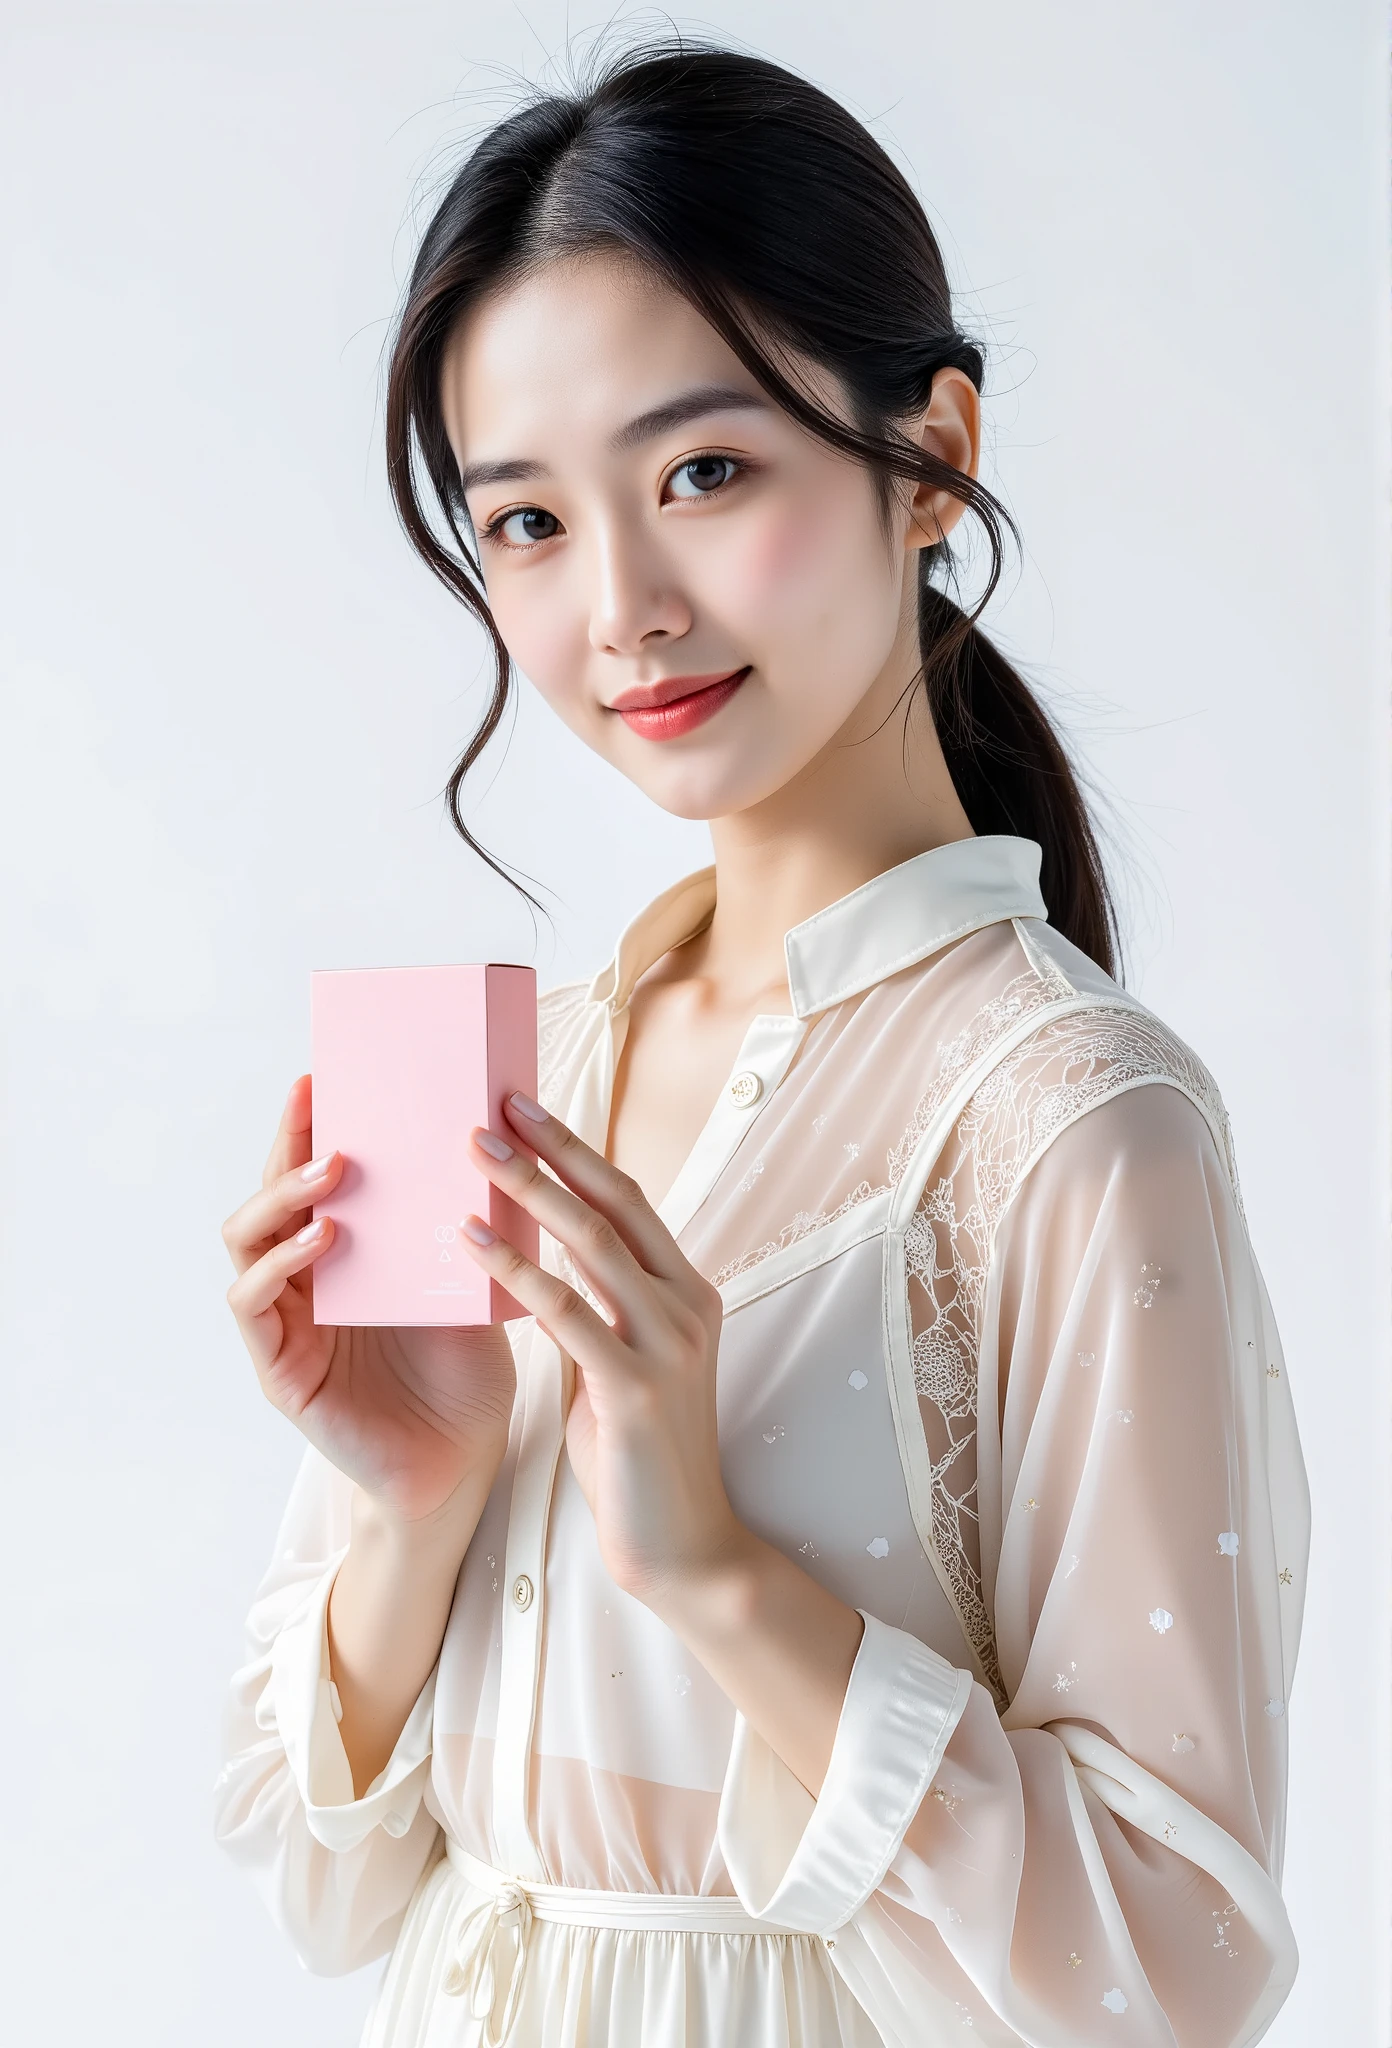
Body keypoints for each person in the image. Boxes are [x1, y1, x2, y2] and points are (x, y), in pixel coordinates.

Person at [212, 33, 1310, 2048]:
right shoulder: (504, 1070)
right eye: (525, 523)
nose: (622, 604)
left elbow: (1176, 1969)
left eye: (703, 471)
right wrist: (425, 1489)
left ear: (936, 454)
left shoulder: (1072, 1116)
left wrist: (711, 1568)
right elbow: (335, 1879)